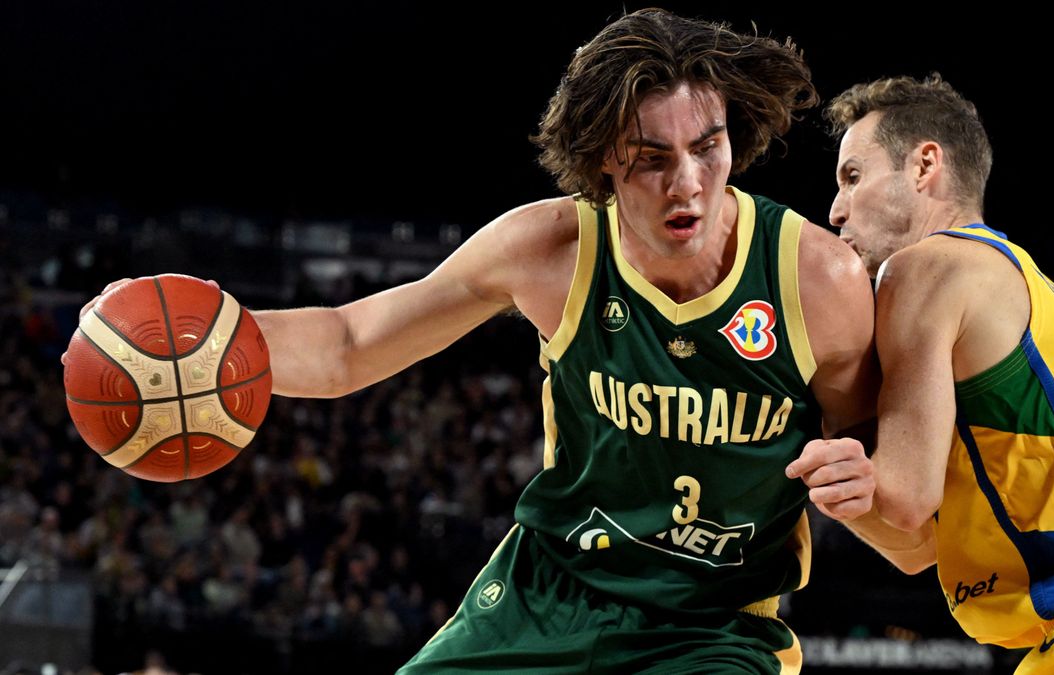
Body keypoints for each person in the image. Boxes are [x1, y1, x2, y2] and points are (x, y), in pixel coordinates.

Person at [74, 9, 921, 672]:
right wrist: (205, 344)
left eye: (708, 146)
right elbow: (346, 343)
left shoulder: (817, 281)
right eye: (651, 158)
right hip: (547, 593)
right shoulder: (548, 251)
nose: (688, 181)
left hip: (712, 627)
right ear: (601, 166)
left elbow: (898, 515)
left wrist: (868, 482)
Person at [796, 74, 1054, 673]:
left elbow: (904, 500)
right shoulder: (1000, 279)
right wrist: (838, 485)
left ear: (924, 164)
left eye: (853, 176)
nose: (836, 209)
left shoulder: (928, 267)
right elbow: (916, 547)